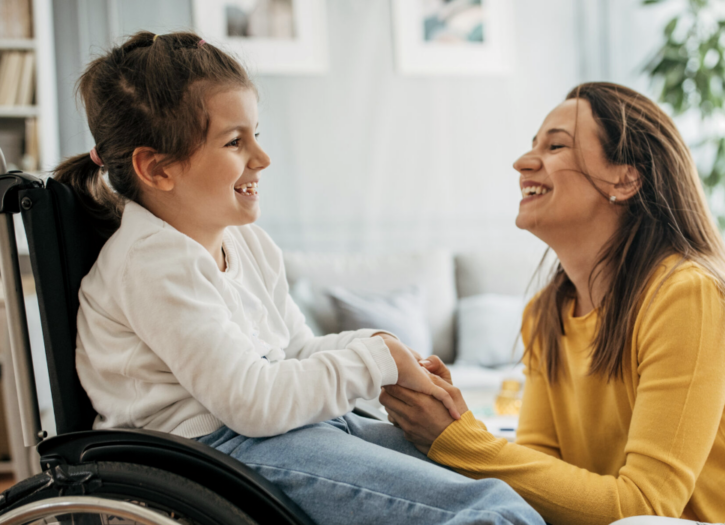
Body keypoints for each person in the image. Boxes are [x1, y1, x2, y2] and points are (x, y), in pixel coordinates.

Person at [60, 31, 543, 525]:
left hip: (283, 434)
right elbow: (251, 403)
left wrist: (382, 346)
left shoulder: (246, 243)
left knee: (492, 482)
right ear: (157, 168)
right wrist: (374, 362)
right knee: (492, 512)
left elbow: (291, 352)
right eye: (234, 141)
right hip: (211, 456)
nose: (262, 158)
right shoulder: (150, 263)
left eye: (256, 135)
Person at [381, 82, 725, 525]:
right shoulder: (546, 312)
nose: (522, 162)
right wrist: (452, 419)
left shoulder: (690, 295)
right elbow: (538, 475)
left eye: (555, 145)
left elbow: (645, 510)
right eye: (533, 145)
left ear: (625, 178)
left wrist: (459, 439)